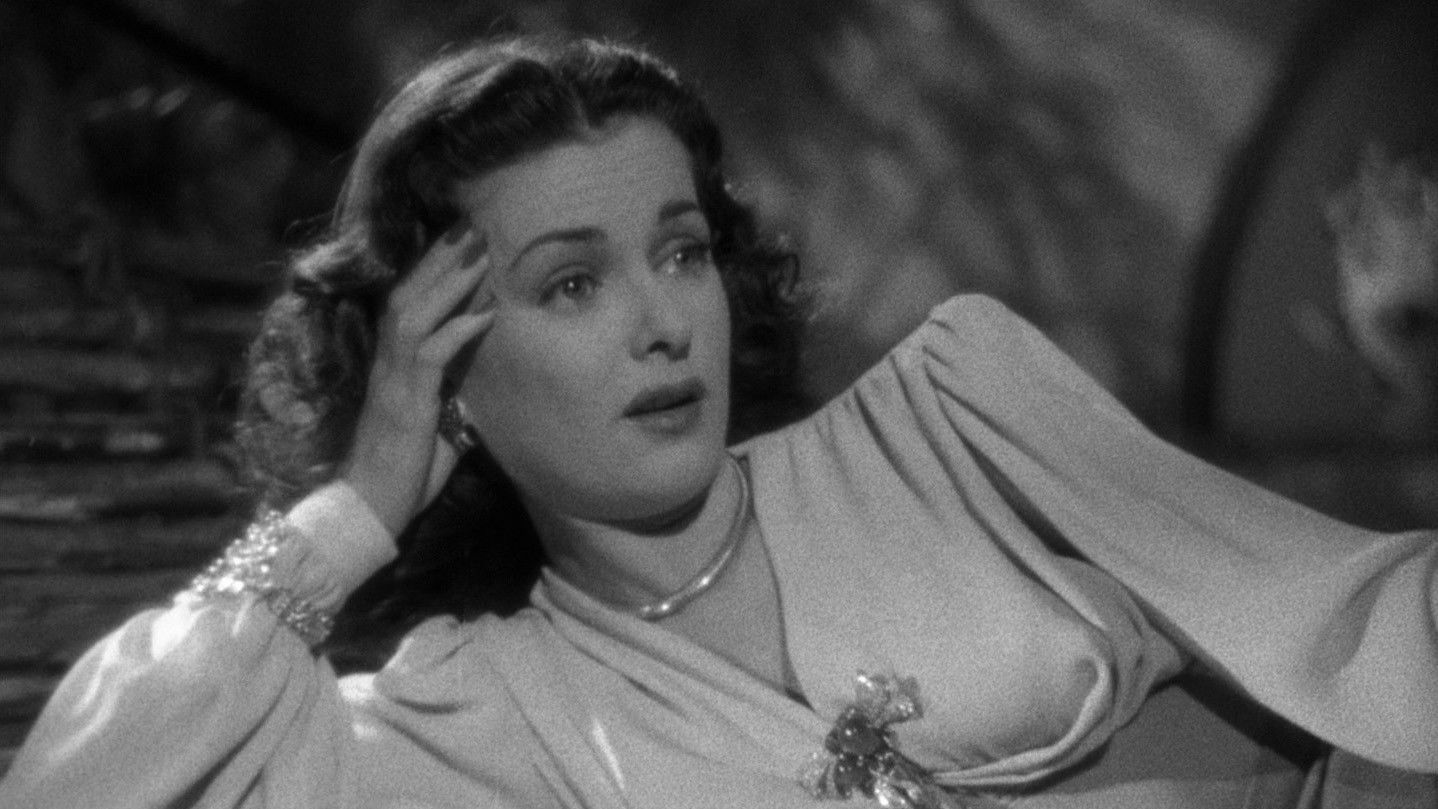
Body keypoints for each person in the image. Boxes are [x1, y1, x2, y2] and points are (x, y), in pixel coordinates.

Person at [1, 35, 1435, 809]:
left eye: (679, 251)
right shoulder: (472, 710)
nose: (661, 320)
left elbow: (1363, 622)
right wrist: (357, 509)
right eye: (572, 283)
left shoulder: (952, 420)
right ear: (445, 370)